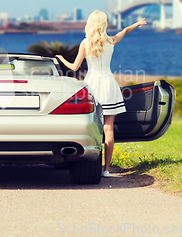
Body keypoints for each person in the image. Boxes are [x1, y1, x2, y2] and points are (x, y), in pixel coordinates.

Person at [56, 10, 146, 177]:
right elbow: (124, 31)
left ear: (90, 24)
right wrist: (137, 24)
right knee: (108, 127)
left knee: (91, 124)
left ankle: (88, 161)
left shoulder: (85, 43)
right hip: (109, 84)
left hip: (93, 85)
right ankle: (106, 169)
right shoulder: (110, 41)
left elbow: (74, 67)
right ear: (103, 24)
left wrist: (61, 59)